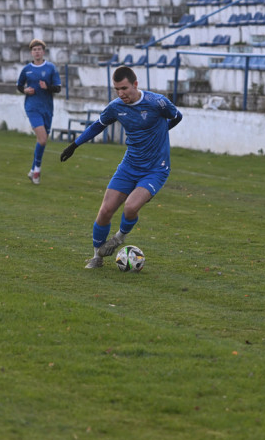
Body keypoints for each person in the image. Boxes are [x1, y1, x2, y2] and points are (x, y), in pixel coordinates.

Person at [59, 65, 182, 269]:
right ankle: (97, 256)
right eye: (117, 89)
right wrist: (75, 144)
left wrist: (162, 132)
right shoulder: (116, 107)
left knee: (131, 206)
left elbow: (177, 116)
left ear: (135, 84)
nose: (121, 93)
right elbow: (98, 125)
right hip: (129, 164)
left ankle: (119, 238)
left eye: (124, 88)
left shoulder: (157, 102)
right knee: (106, 210)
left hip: (155, 168)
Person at [17, 38, 62, 185]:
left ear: (43, 51)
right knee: (42, 138)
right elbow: (19, 86)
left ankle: (33, 170)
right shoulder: (26, 69)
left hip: (47, 108)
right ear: (31, 52)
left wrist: (47, 87)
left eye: (39, 49)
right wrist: (25, 90)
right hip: (32, 107)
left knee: (42, 141)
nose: (37, 52)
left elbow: (58, 88)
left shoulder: (51, 68)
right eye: (34, 50)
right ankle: (37, 171)